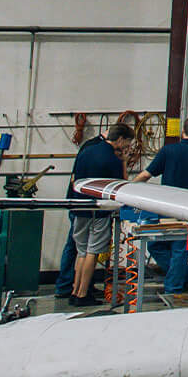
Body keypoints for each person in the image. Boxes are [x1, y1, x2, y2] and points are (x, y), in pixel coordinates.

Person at [67, 119, 137, 306]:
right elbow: (122, 184)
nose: (128, 147)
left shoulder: (86, 150)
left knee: (81, 251)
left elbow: (74, 178)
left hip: (79, 206)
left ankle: (75, 291)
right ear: (120, 140)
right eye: (128, 144)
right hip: (98, 210)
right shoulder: (112, 158)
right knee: (92, 251)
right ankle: (83, 294)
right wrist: (123, 160)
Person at [140, 117, 188, 294]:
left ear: (182, 131)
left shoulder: (168, 151)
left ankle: (174, 287)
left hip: (165, 206)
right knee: (178, 248)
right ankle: (184, 277)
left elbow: (145, 175)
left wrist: (124, 192)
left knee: (156, 244)